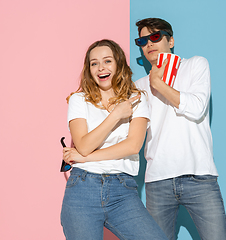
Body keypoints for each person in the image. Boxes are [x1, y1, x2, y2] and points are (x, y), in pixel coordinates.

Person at [60, 39, 168, 240]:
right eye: (94, 63)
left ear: (118, 64)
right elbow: (83, 145)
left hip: (122, 190)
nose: (101, 67)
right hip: (83, 189)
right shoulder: (78, 100)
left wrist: (86, 158)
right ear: (89, 69)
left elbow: (132, 146)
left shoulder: (137, 98)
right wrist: (116, 114)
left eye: (107, 61)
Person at [133, 18, 226, 240]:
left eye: (155, 37)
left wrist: (158, 85)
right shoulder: (138, 87)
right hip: (157, 181)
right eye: (143, 40)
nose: (149, 43)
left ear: (171, 40)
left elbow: (196, 108)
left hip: (199, 176)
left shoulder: (195, 65)